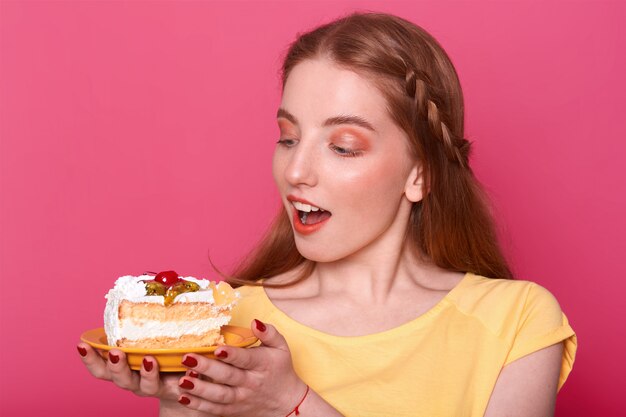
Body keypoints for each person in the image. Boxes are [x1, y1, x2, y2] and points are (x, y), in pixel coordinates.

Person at [77, 12, 577, 417]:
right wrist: (180, 402)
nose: (295, 170)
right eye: (288, 138)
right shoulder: (232, 325)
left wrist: (291, 403)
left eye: (343, 146)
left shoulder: (517, 321)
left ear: (420, 174)